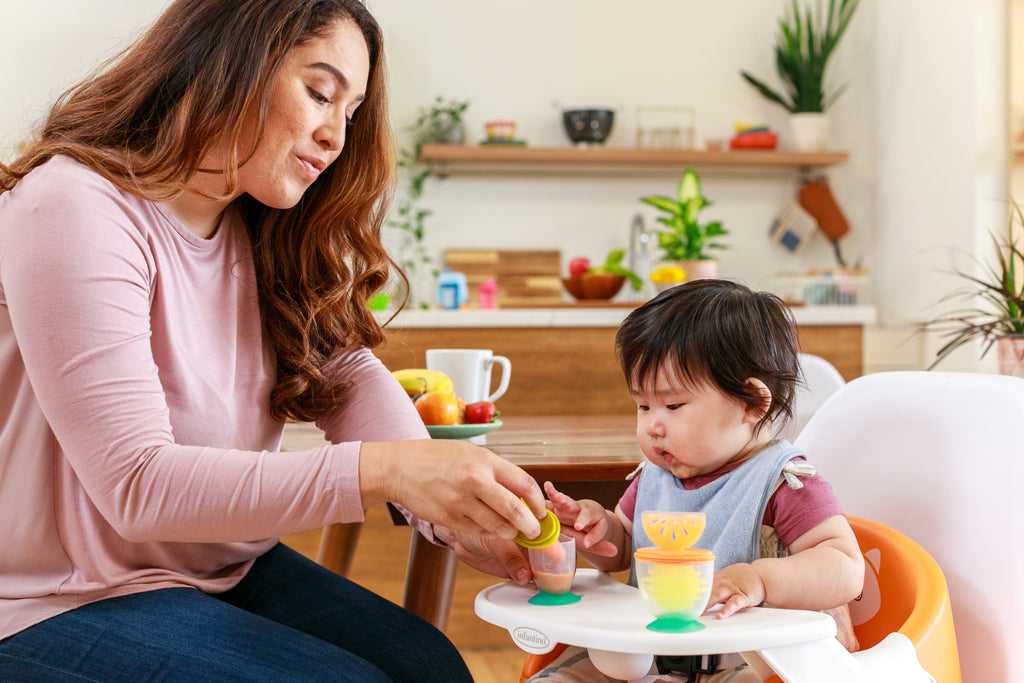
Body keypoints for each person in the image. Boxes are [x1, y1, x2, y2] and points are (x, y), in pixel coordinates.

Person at [0, 1, 548, 680]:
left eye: (348, 115)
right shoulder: (74, 203)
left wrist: (452, 511)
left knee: (427, 664)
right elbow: (137, 485)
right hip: (51, 597)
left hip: (218, 564)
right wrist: (390, 470)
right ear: (227, 59)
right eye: (319, 93)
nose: (334, 137)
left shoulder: (260, 226)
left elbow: (342, 367)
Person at [529, 280, 864, 682]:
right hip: (653, 654)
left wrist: (758, 579)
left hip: (757, 663)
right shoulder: (655, 477)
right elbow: (621, 551)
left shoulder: (783, 485)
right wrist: (598, 529)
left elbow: (845, 568)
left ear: (751, 403)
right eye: (642, 405)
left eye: (673, 405)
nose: (652, 424)